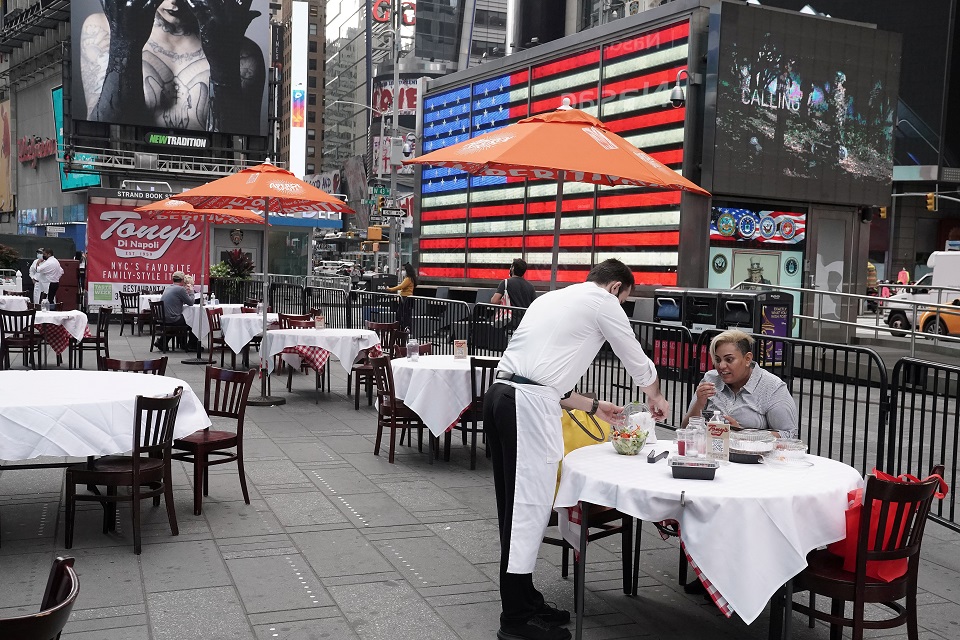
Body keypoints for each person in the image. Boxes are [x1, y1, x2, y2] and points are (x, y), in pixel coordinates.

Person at [483, 259, 669, 640]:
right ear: (616, 287)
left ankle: (525, 597)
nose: (622, 306)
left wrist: (594, 407)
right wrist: (656, 394)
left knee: (514, 507)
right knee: (527, 508)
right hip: (526, 405)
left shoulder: (554, 298)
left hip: (503, 395)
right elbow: (633, 355)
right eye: (626, 299)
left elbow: (543, 372)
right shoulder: (603, 302)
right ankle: (516, 620)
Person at [79, 0, 265, 133]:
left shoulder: (245, 53)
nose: (175, 2)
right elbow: (98, 134)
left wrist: (223, 63)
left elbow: (239, 151)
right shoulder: (102, 29)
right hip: (124, 177)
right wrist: (124, 44)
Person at [681, 329, 798, 438]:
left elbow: (788, 434)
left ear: (747, 359)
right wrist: (699, 404)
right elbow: (686, 429)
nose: (721, 366)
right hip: (711, 454)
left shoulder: (772, 387)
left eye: (729, 359)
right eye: (717, 360)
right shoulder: (710, 379)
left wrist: (741, 434)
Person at [156, 271, 196, 350]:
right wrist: (191, 291)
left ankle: (162, 341)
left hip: (163, 317)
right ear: (182, 280)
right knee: (194, 321)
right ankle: (192, 344)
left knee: (183, 319)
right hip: (172, 318)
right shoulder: (180, 289)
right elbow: (191, 302)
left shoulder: (168, 287)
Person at [385, 263, 417, 331]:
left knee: (404, 315)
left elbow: (401, 286)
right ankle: (403, 329)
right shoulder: (408, 278)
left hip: (406, 298)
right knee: (402, 314)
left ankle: (404, 329)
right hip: (405, 298)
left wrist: (390, 289)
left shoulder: (408, 279)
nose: (402, 271)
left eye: (403, 270)